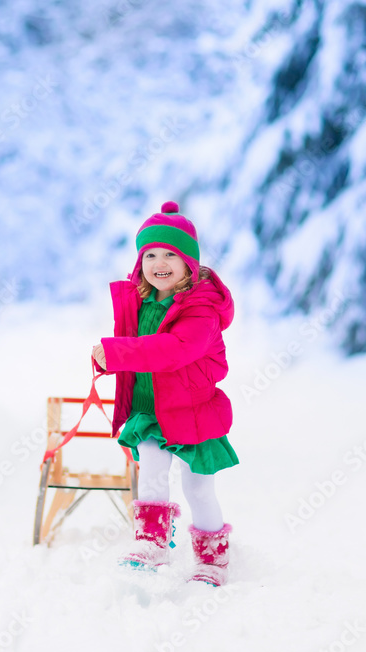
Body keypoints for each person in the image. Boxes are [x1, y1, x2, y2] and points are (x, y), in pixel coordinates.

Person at [91, 201, 237, 586]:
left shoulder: (201, 307)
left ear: (189, 262)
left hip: (192, 411)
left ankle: (212, 559)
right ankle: (151, 542)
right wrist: (110, 359)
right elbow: (136, 347)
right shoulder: (141, 300)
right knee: (151, 469)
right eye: (150, 254)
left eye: (171, 253)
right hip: (152, 408)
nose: (159, 262)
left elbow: (174, 350)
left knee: (197, 486)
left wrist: (118, 352)